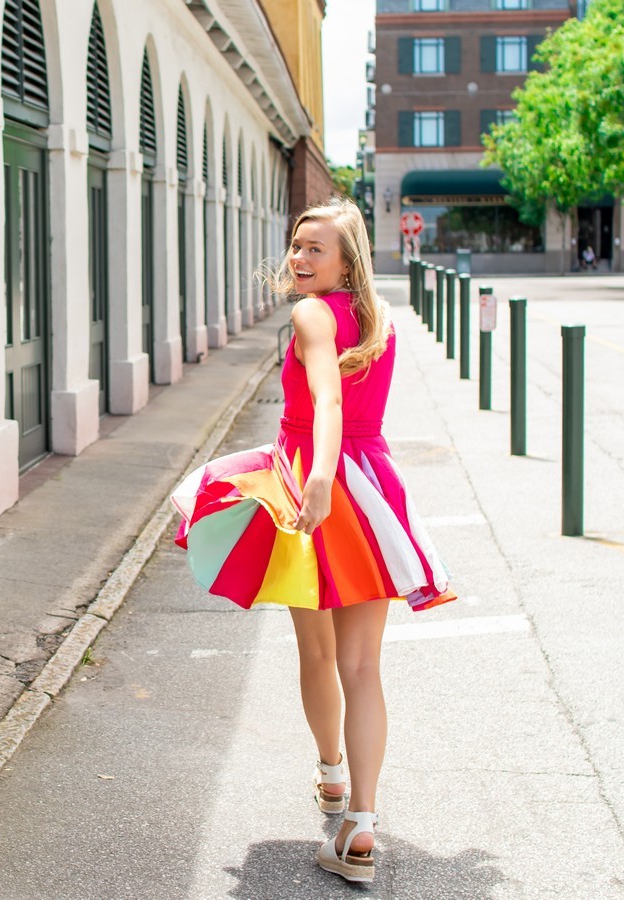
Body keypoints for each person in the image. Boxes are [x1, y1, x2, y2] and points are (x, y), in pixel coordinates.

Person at [171, 199, 455, 885]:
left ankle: (331, 775)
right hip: (374, 488)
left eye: (314, 249)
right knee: (362, 665)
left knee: (319, 651)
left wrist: (320, 478)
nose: (298, 258)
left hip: (314, 484)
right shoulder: (377, 317)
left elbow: (327, 401)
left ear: (346, 262)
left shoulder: (311, 315)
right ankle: (360, 823)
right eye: (296, 245)